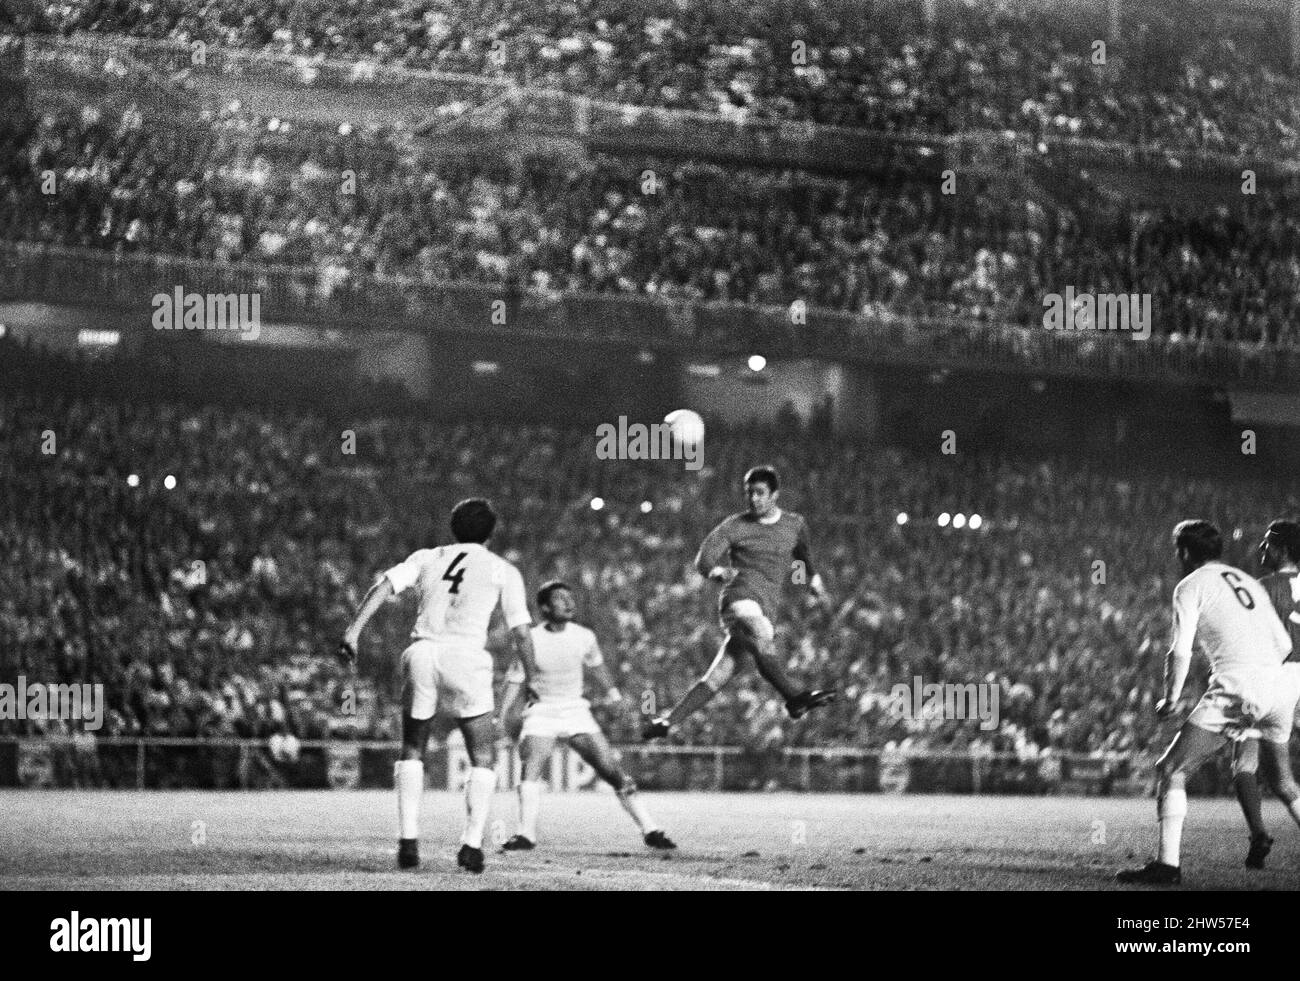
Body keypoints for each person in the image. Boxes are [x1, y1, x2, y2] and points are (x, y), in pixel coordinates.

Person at [340, 497, 537, 874]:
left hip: (423, 653)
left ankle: (408, 840)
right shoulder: (502, 570)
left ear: (453, 527)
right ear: (491, 534)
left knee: (413, 746)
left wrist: (354, 631)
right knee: (483, 756)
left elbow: (383, 585)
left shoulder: (427, 556)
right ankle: (471, 845)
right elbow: (522, 634)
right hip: (467, 657)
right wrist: (534, 677)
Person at [1117, 520, 1300, 885]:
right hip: (1281, 689)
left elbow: (1179, 650)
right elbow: (1283, 644)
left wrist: (1171, 698)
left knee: (1172, 769)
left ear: (1184, 553)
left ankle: (1167, 867)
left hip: (1240, 687)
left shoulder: (1190, 585)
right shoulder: (1247, 581)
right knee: (1281, 779)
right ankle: (1254, 833)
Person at [642, 465, 836, 741]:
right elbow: (704, 559)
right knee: (758, 635)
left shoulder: (794, 524)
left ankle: (668, 722)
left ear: (775, 495)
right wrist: (718, 572)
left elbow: (803, 554)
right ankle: (794, 696)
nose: (753, 499)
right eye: (749, 493)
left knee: (721, 672)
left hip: (767, 605)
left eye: (760, 493)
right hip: (739, 597)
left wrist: (815, 583)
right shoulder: (735, 525)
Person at [498, 581, 676, 851]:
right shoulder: (529, 639)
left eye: (570, 598)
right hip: (542, 710)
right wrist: (502, 716)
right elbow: (515, 678)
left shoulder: (584, 636)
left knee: (613, 772)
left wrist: (615, 696)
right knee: (530, 769)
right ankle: (525, 835)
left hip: (575, 710)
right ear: (545, 607)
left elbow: (598, 667)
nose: (569, 603)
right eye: (560, 599)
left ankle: (650, 829)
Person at [1228, 519, 1300, 869]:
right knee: (1282, 780)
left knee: (1243, 762)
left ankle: (1258, 833)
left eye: (1268, 543)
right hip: (1293, 685)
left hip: (1265, 678)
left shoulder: (1263, 587)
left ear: (1283, 549)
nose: (1261, 548)